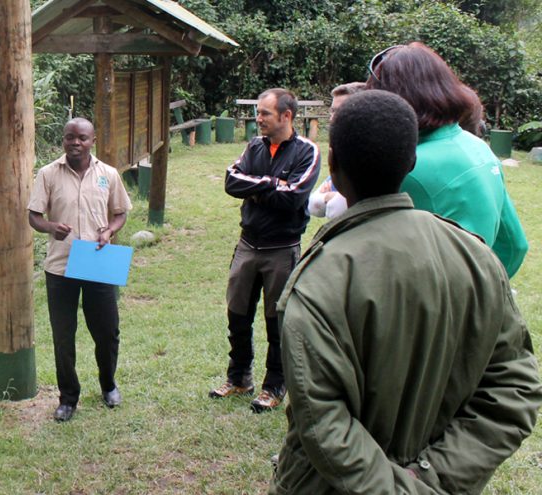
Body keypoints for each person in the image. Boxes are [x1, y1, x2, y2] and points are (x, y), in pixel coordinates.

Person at [271, 89, 542, 494]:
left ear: (333, 165)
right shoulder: (476, 258)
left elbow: (322, 421)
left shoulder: (318, 280)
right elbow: (515, 385)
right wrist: (433, 476)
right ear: (411, 161)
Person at [366, 42, 528, 277]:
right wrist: (484, 294)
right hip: (470, 301)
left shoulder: (408, 168)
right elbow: (515, 246)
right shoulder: (481, 148)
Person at [211, 88, 320, 413]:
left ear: (286, 116)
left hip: (282, 249)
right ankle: (239, 377)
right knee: (238, 313)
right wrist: (272, 183)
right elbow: (231, 181)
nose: (258, 119)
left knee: (277, 321)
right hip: (248, 244)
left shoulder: (307, 152)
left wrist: (256, 185)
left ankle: (274, 386)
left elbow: (294, 198)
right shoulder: (254, 146)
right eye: (258, 113)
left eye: (264, 114)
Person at [28, 117, 132, 422]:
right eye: (70, 137)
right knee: (63, 335)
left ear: (93, 140)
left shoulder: (108, 174)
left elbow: (120, 212)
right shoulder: (48, 174)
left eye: (82, 138)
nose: (76, 143)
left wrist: (110, 230)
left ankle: (108, 384)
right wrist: (49, 226)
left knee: (107, 331)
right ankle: (67, 397)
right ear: (63, 141)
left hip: (98, 261)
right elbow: (34, 216)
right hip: (60, 267)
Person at [308, 82, 365, 219]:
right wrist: (330, 197)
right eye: (332, 111)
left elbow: (335, 211)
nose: (332, 118)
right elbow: (313, 204)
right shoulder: (344, 150)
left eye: (340, 111)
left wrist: (329, 198)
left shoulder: (369, 153)